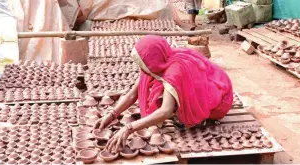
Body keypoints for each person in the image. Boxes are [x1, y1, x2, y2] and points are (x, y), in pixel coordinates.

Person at [95, 35, 233, 153]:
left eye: (142, 62)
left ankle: (197, 114)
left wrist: (129, 128)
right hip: (200, 86)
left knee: (173, 106)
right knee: (156, 88)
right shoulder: (156, 62)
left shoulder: (174, 71)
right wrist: (112, 115)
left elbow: (166, 111)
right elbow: (133, 94)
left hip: (217, 97)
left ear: (152, 58)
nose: (141, 67)